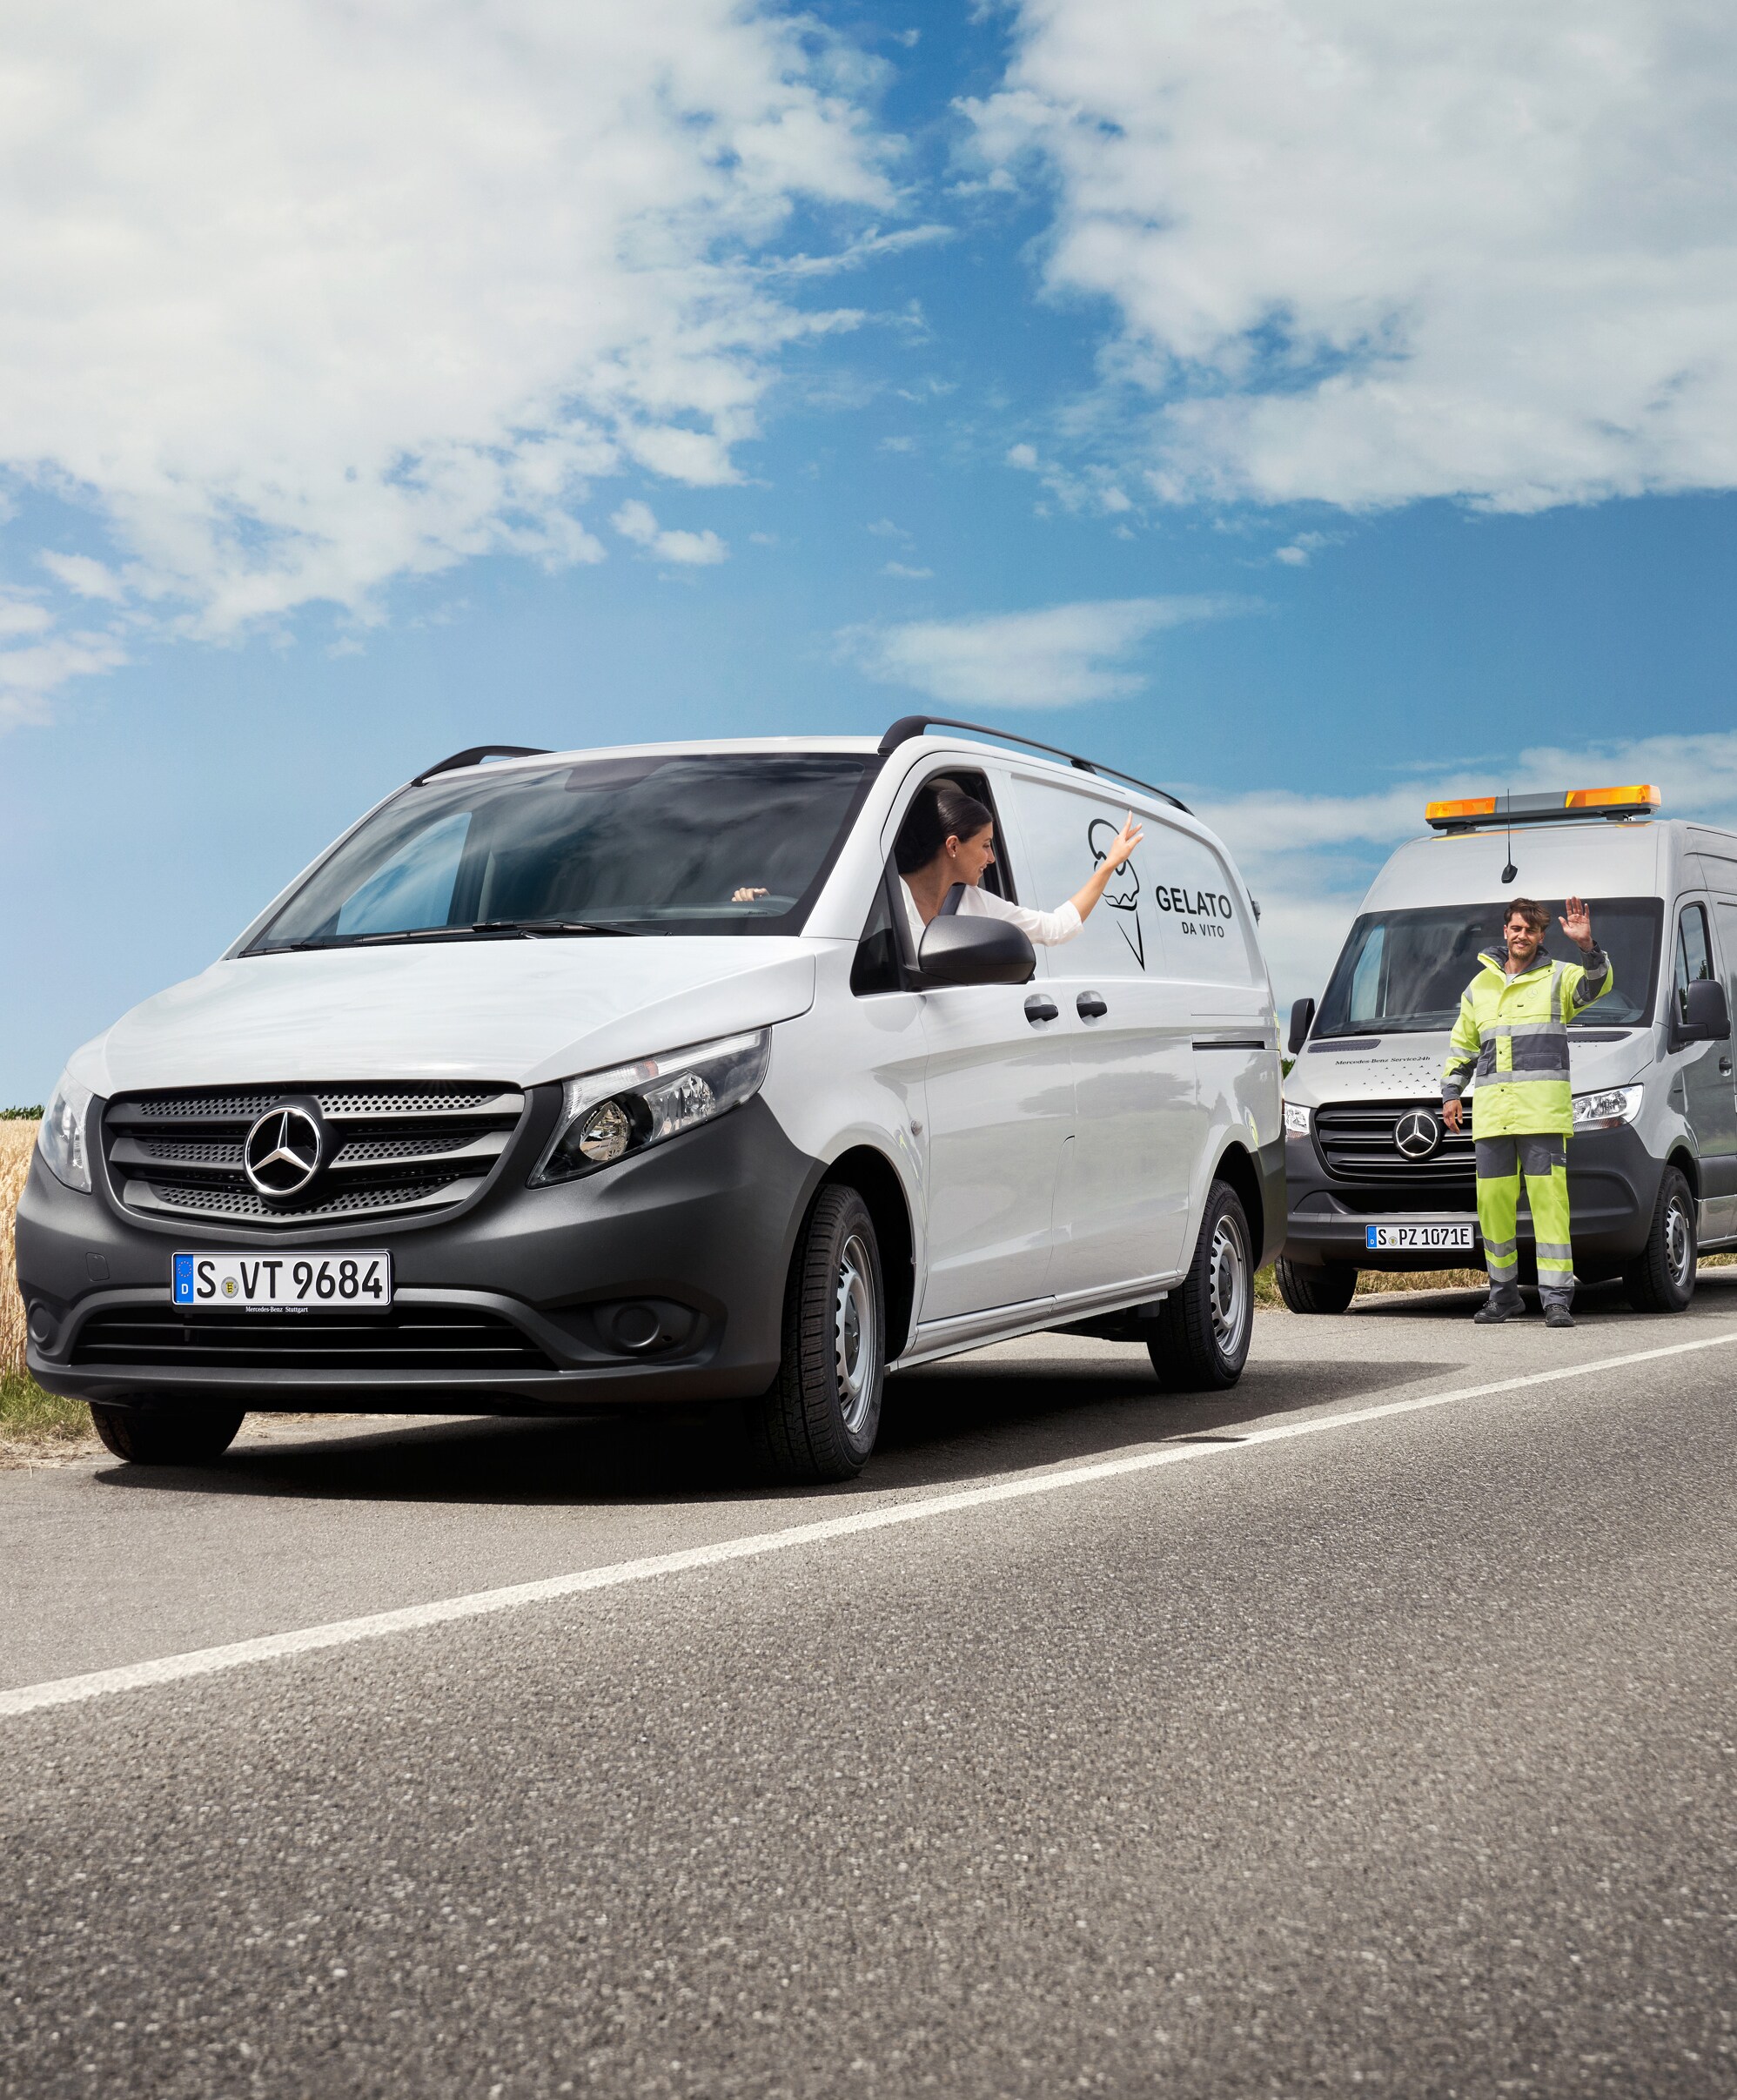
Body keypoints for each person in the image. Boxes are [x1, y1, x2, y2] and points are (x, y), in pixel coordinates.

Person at [1442, 896, 1613, 1328]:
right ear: (1506, 931)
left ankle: (1556, 1298)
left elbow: (1598, 984)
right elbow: (1463, 1045)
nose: (1522, 936)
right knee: (1492, 1206)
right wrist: (1450, 1092)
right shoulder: (1479, 987)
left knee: (1549, 1206)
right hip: (1494, 1117)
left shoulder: (1560, 978)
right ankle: (1503, 1297)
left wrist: (1588, 946)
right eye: (1516, 928)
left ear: (1541, 936)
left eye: (1531, 930)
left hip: (1542, 1115)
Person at [895, 777, 1143, 949]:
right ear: (953, 846)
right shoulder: (888, 896)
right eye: (985, 845)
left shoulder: (977, 902)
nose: (991, 858)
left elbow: (1057, 927)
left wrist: (1110, 865)